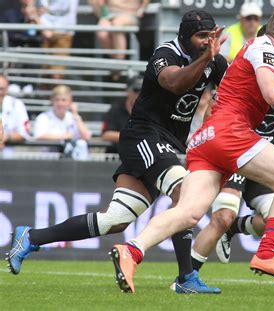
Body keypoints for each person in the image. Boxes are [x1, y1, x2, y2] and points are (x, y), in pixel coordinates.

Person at [7, 9, 228, 294]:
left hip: (168, 143)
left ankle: (31, 236)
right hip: (143, 135)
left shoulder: (214, 61)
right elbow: (175, 83)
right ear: (184, 36)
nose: (206, 42)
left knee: (115, 220)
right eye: (201, 36)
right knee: (184, 195)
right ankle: (186, 277)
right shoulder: (165, 54)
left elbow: (233, 93)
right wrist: (207, 59)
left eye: (211, 37)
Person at [109, 5, 274, 294]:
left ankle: (131, 251)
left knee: (188, 212)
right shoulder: (264, 47)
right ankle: (267, 252)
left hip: (207, 137)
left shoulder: (267, 56)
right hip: (231, 132)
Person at [192, 82, 274, 269]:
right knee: (223, 217)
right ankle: (188, 277)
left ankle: (235, 228)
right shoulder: (242, 76)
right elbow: (212, 109)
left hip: (263, 160)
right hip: (235, 154)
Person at [89, 0, 150, 81]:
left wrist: (141, 9)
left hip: (130, 13)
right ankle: (118, 63)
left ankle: (118, 66)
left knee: (117, 24)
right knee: (101, 33)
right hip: (109, 14)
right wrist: (102, 12)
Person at [33, 85, 91, 159]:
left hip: (73, 162)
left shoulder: (73, 117)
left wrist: (75, 114)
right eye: (57, 100)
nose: (60, 103)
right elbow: (39, 136)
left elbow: (86, 136)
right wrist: (65, 136)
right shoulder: (44, 117)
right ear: (52, 101)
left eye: (64, 100)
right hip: (49, 160)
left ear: (70, 102)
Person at [38, 0, 79, 80]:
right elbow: (40, 7)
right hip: (45, 29)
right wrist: (42, 26)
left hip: (64, 32)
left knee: (57, 74)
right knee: (45, 73)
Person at [101, 75, 142, 153]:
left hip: (141, 158)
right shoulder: (116, 109)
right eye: (136, 90)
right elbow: (106, 134)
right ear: (128, 91)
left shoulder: (149, 111)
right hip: (116, 156)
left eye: (142, 91)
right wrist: (131, 137)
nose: (139, 94)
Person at [0, 74, 31, 152]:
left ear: (7, 89)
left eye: (2, 89)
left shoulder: (17, 105)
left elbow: (25, 132)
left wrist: (7, 137)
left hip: (10, 156)